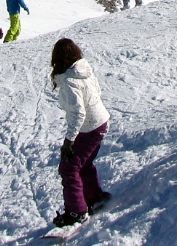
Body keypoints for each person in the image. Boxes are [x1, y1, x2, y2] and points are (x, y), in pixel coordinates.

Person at [50, 38, 111, 228]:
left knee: (69, 168)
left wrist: (69, 141)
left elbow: (78, 113)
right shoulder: (84, 71)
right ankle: (93, 197)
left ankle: (77, 212)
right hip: (100, 122)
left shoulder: (70, 81)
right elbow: (98, 91)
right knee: (82, 164)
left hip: (90, 127)